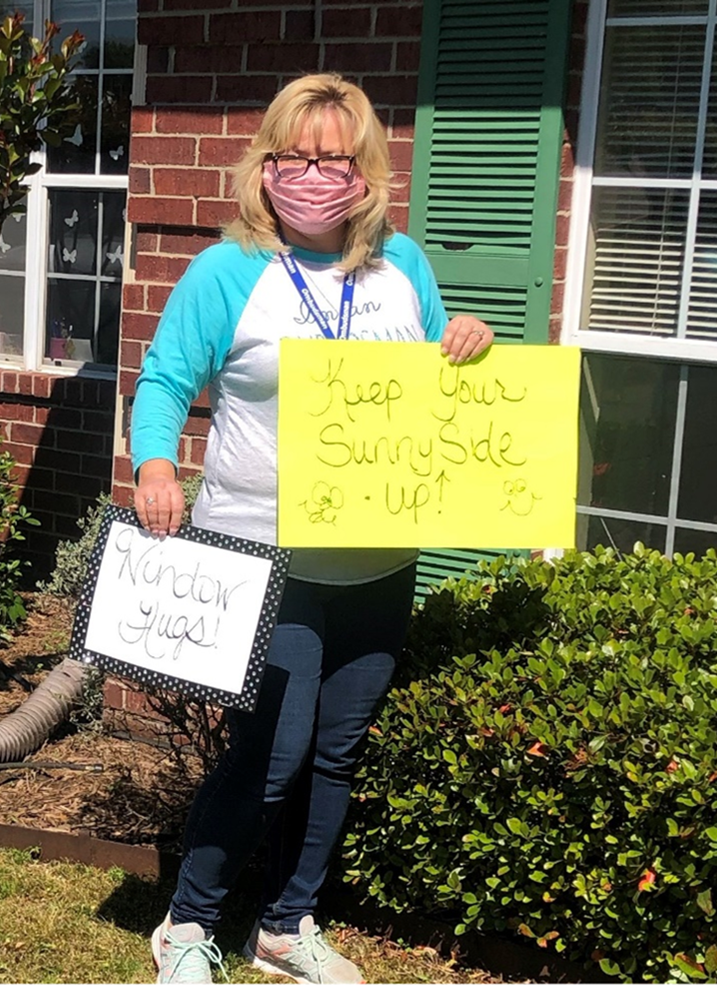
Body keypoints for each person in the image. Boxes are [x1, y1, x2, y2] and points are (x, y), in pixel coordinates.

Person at [130, 74, 493, 984]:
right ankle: (188, 924)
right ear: (266, 164)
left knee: (336, 751)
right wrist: (156, 464)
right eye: (295, 155)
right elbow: (168, 379)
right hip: (264, 554)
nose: (314, 173)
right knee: (272, 749)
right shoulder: (229, 271)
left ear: (366, 170)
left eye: (334, 157)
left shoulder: (401, 266)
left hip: (378, 558)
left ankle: (286, 926)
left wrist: (468, 343)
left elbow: (439, 384)